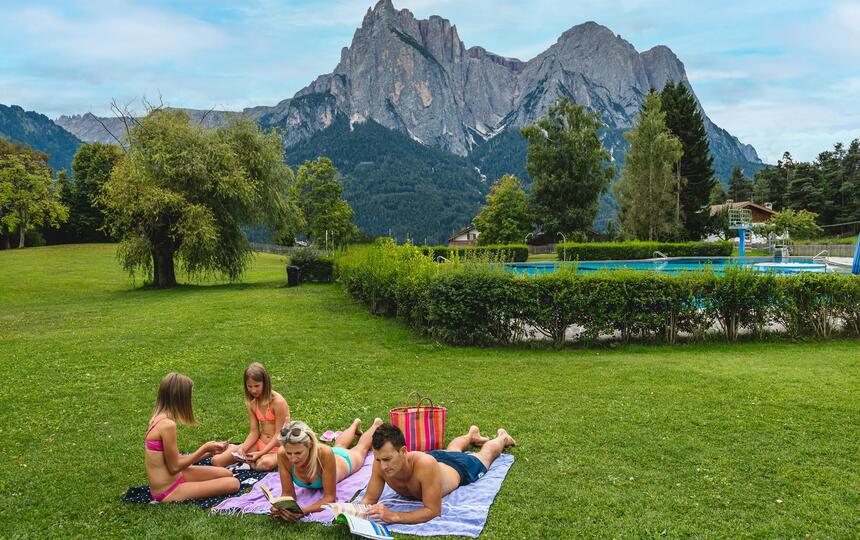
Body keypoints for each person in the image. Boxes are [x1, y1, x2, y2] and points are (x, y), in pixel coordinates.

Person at [359, 423, 515, 524]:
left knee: (484, 456)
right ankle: (471, 435)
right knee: (451, 451)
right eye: (378, 459)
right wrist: (352, 514)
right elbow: (369, 499)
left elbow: (433, 510)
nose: (383, 466)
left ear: (403, 451)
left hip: (458, 468)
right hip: (435, 460)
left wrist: (394, 516)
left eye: (387, 459)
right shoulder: (380, 464)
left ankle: (502, 437)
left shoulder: (424, 465)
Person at [144, 372, 240, 503]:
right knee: (233, 483)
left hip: (176, 476)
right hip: (168, 489)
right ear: (180, 398)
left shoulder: (157, 418)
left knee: (226, 473)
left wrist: (209, 452)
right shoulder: (167, 425)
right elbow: (174, 467)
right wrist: (204, 448)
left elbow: (174, 460)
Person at [270, 418, 383, 522]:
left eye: (298, 453)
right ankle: (355, 424)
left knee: (360, 449)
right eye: (289, 453)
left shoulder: (324, 453)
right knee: (339, 445)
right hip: (330, 455)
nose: (293, 458)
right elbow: (288, 493)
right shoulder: (282, 454)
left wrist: (302, 511)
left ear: (310, 445)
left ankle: (376, 425)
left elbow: (329, 498)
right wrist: (281, 507)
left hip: (343, 460)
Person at [212, 362, 290, 471]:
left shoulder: (278, 402)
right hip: (260, 443)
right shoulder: (252, 403)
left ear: (265, 383)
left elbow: (279, 435)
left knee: (263, 464)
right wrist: (243, 449)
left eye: (257, 386)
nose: (253, 390)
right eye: (249, 386)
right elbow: (254, 432)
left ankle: (250, 461)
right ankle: (241, 452)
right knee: (217, 461)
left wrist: (261, 453)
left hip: (278, 447)